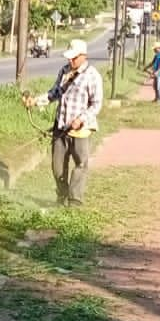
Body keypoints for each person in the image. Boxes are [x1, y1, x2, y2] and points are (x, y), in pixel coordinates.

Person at [26, 37, 104, 207]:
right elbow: (54, 93)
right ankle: (61, 196)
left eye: (74, 57)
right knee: (57, 168)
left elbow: (96, 104)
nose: (71, 60)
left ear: (83, 56)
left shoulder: (92, 76)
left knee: (80, 164)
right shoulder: (64, 71)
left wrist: (81, 119)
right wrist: (35, 101)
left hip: (80, 130)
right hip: (60, 127)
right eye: (69, 57)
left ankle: (75, 200)